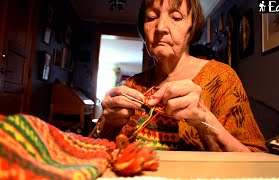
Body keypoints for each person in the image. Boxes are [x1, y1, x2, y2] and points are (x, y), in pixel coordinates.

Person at [91, 0, 267, 152]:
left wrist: (204, 119)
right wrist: (109, 124)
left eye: (176, 17)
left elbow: (257, 162)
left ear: (192, 28)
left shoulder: (221, 78)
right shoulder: (132, 85)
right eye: (151, 18)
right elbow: (90, 148)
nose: (160, 28)